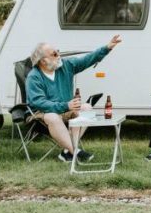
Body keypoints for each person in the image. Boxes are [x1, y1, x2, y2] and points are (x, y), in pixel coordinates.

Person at [26, 35, 122, 163]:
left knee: (87, 108)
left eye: (58, 51)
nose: (59, 55)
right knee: (52, 116)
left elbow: (87, 60)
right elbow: (39, 102)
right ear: (43, 61)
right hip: (41, 113)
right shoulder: (34, 77)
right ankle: (75, 151)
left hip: (65, 108)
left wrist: (107, 48)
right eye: (54, 54)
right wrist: (66, 106)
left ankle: (67, 152)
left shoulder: (65, 66)